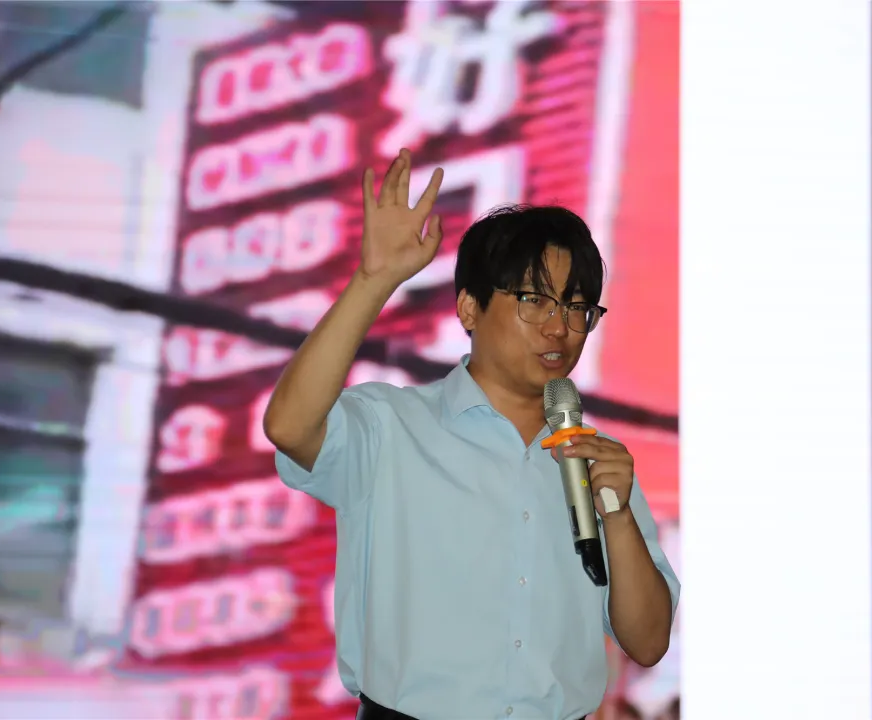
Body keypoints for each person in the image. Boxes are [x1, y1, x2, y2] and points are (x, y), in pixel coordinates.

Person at [264, 149, 680, 720]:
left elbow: (649, 642)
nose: (559, 327)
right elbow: (288, 426)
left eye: (578, 307)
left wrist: (618, 515)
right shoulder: (393, 427)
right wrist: (373, 280)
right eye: (534, 301)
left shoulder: (596, 462)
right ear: (468, 308)